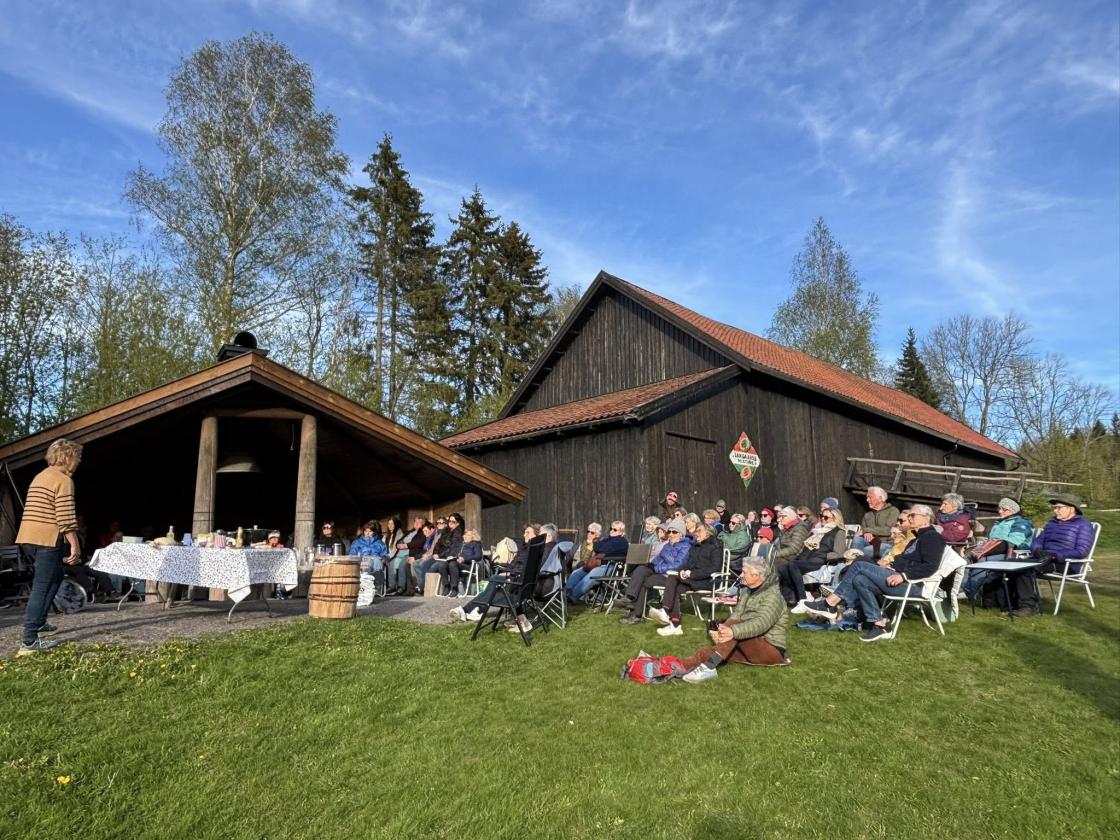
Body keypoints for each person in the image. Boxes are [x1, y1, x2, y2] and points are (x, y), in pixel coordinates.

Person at [803, 504, 947, 642]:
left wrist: (903, 576)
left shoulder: (932, 537)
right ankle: (880, 624)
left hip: (913, 586)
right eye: (909, 515)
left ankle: (830, 603)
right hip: (896, 576)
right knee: (859, 579)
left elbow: (930, 567)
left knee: (859, 564)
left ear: (926, 517)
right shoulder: (917, 539)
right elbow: (905, 561)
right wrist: (890, 563)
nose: (909, 518)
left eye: (913, 515)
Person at [675, 556, 791, 683]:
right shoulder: (747, 591)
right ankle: (675, 665)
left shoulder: (773, 596)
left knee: (733, 629)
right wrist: (723, 629)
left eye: (744, 572)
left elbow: (761, 623)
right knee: (711, 652)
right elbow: (736, 614)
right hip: (749, 643)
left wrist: (733, 631)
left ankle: (709, 668)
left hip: (771, 649)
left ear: (756, 575)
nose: (741, 575)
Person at [16, 438, 83, 655]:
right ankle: (29, 641)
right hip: (47, 538)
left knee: (55, 576)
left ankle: (40, 623)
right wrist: (75, 544)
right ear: (67, 456)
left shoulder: (40, 476)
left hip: (28, 537)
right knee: (42, 586)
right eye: (77, 456)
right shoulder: (63, 480)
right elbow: (65, 517)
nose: (79, 461)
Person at [1009, 494, 1094, 617]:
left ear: (1072, 508)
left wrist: (1054, 555)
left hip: (1065, 563)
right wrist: (1038, 551)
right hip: (1044, 559)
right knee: (1011, 564)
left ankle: (1029, 607)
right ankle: (1010, 603)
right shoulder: (1052, 523)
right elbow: (1037, 541)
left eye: (1059, 507)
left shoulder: (1083, 525)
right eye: (1055, 508)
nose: (1055, 510)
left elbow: (1082, 551)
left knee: (1024, 569)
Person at [450, 524, 542, 629]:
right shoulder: (526, 548)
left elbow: (524, 569)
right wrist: (501, 565)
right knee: (491, 587)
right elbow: (514, 565)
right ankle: (469, 610)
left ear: (536, 536)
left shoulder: (531, 551)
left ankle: (472, 610)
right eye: (524, 532)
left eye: (528, 533)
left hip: (516, 584)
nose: (524, 535)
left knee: (494, 580)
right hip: (515, 579)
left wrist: (509, 573)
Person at [649, 523, 722, 635]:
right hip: (693, 580)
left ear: (708, 533)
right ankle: (675, 626)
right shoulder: (695, 547)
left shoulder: (715, 548)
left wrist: (691, 574)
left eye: (699, 531)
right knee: (675, 583)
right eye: (696, 531)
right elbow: (688, 564)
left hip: (708, 581)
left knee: (673, 578)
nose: (696, 534)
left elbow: (713, 569)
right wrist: (683, 571)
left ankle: (665, 610)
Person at [616, 520, 690, 624]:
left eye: (674, 532)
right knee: (641, 569)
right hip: (662, 573)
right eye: (669, 532)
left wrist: (657, 568)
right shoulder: (667, 546)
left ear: (681, 534)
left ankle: (636, 613)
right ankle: (629, 597)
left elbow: (677, 565)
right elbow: (658, 560)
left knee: (644, 581)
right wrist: (650, 565)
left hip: (673, 577)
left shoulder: (685, 546)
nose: (671, 534)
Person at [963, 499, 1033, 601]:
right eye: (999, 508)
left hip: (1011, 554)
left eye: (1004, 509)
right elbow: (990, 540)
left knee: (983, 561)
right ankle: (962, 587)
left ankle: (969, 590)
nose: (1000, 511)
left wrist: (985, 551)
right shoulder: (999, 523)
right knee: (967, 557)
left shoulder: (1021, 523)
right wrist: (981, 546)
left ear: (1013, 510)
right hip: (993, 550)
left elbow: (1013, 542)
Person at [780, 507, 847, 608]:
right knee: (783, 567)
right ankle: (790, 598)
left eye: (826, 517)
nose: (822, 519)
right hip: (806, 559)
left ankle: (803, 599)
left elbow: (839, 553)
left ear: (835, 518)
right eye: (821, 516)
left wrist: (823, 555)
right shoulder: (817, 531)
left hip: (820, 561)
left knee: (793, 565)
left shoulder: (839, 531)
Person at [565, 521, 629, 603]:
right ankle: (565, 593)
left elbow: (601, 548)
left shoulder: (622, 542)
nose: (611, 531)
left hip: (611, 566)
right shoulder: (607, 539)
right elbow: (597, 547)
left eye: (615, 529)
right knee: (577, 572)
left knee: (590, 576)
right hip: (598, 564)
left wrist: (599, 546)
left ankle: (571, 597)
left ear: (621, 532)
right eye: (611, 528)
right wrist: (598, 546)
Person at [850, 487, 900, 560]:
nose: (867, 500)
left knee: (858, 553)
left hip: (885, 544)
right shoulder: (867, 515)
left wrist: (868, 530)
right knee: (857, 539)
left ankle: (853, 561)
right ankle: (854, 562)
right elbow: (863, 532)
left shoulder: (893, 511)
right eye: (867, 497)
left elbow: (888, 530)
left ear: (880, 498)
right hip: (870, 543)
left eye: (870, 497)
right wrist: (865, 533)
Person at [350, 521, 389, 589]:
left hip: (376, 561)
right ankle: (366, 585)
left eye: (370, 531)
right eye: (366, 531)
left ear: (374, 532)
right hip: (362, 562)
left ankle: (377, 586)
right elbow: (352, 554)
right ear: (363, 532)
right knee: (368, 562)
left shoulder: (380, 543)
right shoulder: (357, 542)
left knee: (377, 560)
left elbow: (385, 554)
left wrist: (384, 558)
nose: (367, 533)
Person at [447, 525, 483, 597]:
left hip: (469, 565)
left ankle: (454, 589)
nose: (465, 536)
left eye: (468, 535)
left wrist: (464, 559)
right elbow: (453, 552)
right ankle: (446, 587)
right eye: (465, 534)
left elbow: (478, 556)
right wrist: (451, 556)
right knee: (442, 565)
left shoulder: (476, 544)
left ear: (473, 537)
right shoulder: (461, 544)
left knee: (452, 564)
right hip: (457, 564)